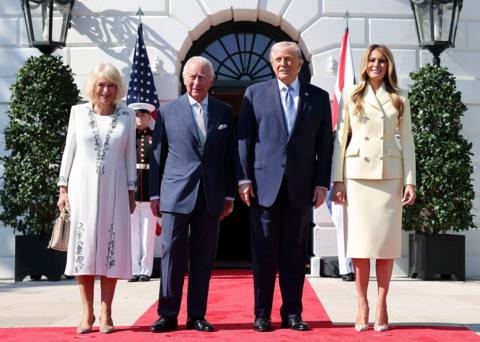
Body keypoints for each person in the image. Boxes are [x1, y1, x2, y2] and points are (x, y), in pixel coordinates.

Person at [237, 41, 333, 332]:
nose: (283, 63)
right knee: (264, 253)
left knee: (295, 254)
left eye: (289, 59)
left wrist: (321, 184)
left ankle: (293, 313)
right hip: (263, 186)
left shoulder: (318, 97)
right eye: (278, 59)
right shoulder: (254, 94)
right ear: (271, 63)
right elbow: (244, 139)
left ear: (300, 64)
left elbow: (325, 145)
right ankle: (262, 314)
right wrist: (243, 179)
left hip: (301, 188)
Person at [331, 44, 416, 332]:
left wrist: (410, 180)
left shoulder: (400, 97)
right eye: (371, 60)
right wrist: (337, 179)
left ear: (388, 65)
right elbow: (340, 141)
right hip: (357, 176)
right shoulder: (352, 94)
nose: (376, 65)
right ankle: (362, 303)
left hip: (389, 175)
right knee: (360, 246)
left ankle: (382, 303)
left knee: (385, 246)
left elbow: (408, 142)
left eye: (381, 61)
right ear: (365, 64)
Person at [149, 56, 235, 333]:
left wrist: (229, 195)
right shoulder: (167, 112)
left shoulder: (224, 112)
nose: (197, 82)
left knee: (203, 257)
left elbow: (230, 157)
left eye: (202, 77)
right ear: (184, 79)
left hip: (211, 196)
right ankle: (168, 314)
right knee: (171, 256)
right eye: (192, 77)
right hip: (175, 194)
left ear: (211, 80)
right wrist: (153, 195)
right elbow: (157, 157)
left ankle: (197, 314)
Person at [57, 63, 136, 334]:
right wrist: (63, 188)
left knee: (110, 248)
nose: (105, 90)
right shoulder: (78, 112)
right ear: (93, 86)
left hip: (115, 188)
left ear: (117, 88)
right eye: (101, 84)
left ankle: (106, 312)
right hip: (82, 187)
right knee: (85, 248)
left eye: (111, 85)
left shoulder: (128, 115)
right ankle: (86, 313)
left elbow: (130, 157)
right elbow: (69, 150)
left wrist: (131, 191)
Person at [128, 106, 157, 282]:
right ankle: (132, 269)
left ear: (149, 117)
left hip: (149, 190)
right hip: (132, 190)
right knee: (132, 233)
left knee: (148, 233)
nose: (140, 118)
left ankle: (145, 270)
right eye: (137, 115)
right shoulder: (128, 137)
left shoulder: (155, 137)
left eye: (143, 115)